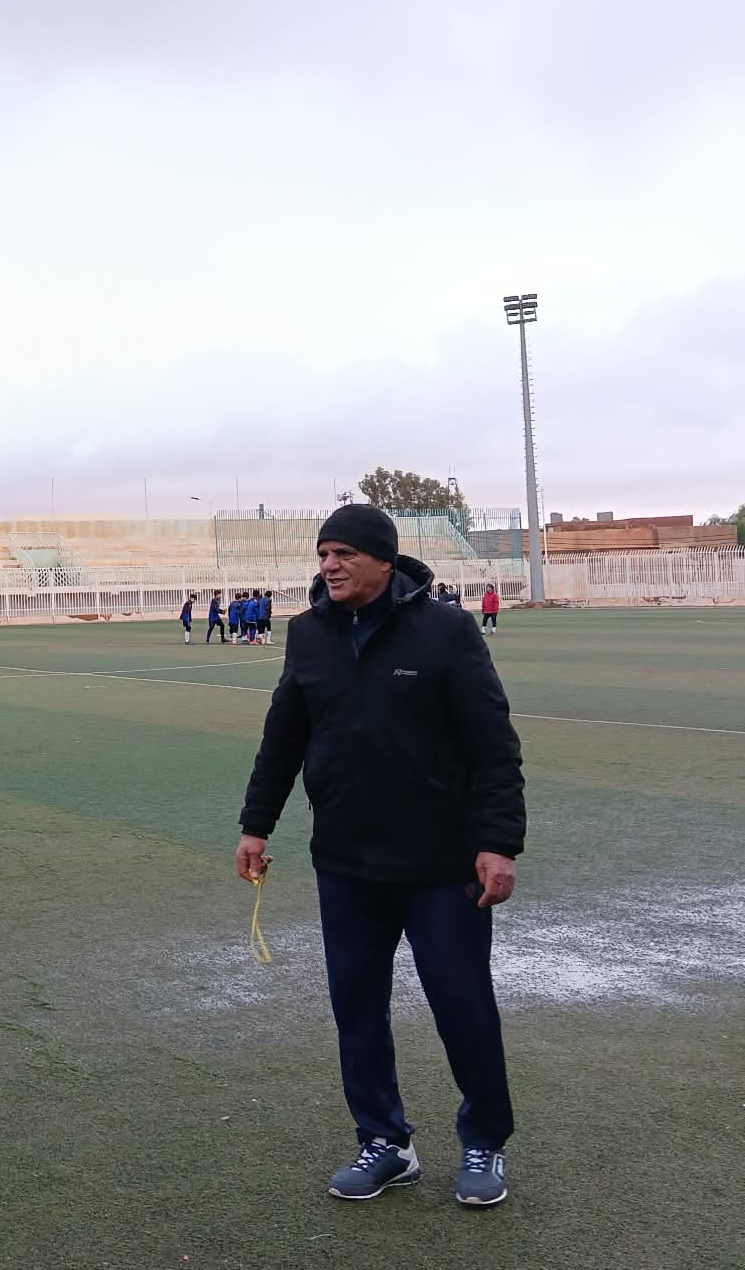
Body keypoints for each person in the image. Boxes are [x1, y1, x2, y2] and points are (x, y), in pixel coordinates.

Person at [235, 504, 525, 1210]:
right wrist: (255, 825)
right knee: (357, 1010)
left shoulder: (447, 631)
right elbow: (283, 737)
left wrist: (499, 843)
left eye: (344, 554)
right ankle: (385, 1141)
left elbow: (493, 744)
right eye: (323, 553)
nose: (329, 565)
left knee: (462, 1005)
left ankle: (484, 1139)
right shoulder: (308, 634)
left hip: (441, 867)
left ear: (384, 559)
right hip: (346, 863)